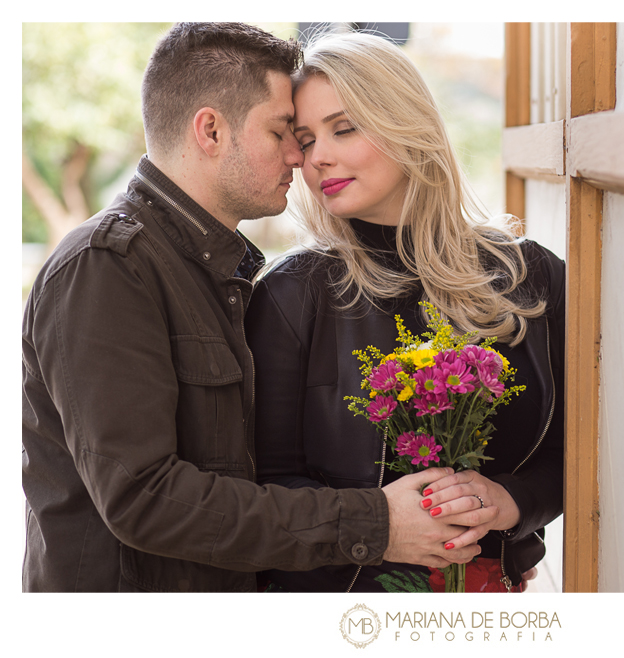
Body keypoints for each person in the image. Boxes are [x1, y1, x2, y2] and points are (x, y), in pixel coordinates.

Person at [21, 22, 488, 593]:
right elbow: (143, 498)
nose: (301, 157)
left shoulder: (213, 270)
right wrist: (378, 523)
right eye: (282, 132)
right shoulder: (107, 267)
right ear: (211, 131)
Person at [245, 31, 565, 593]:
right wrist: (379, 524)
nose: (318, 157)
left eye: (344, 128)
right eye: (304, 139)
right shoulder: (290, 294)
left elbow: (575, 450)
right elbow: (265, 485)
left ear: (407, 125)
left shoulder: (528, 276)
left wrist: (512, 502)